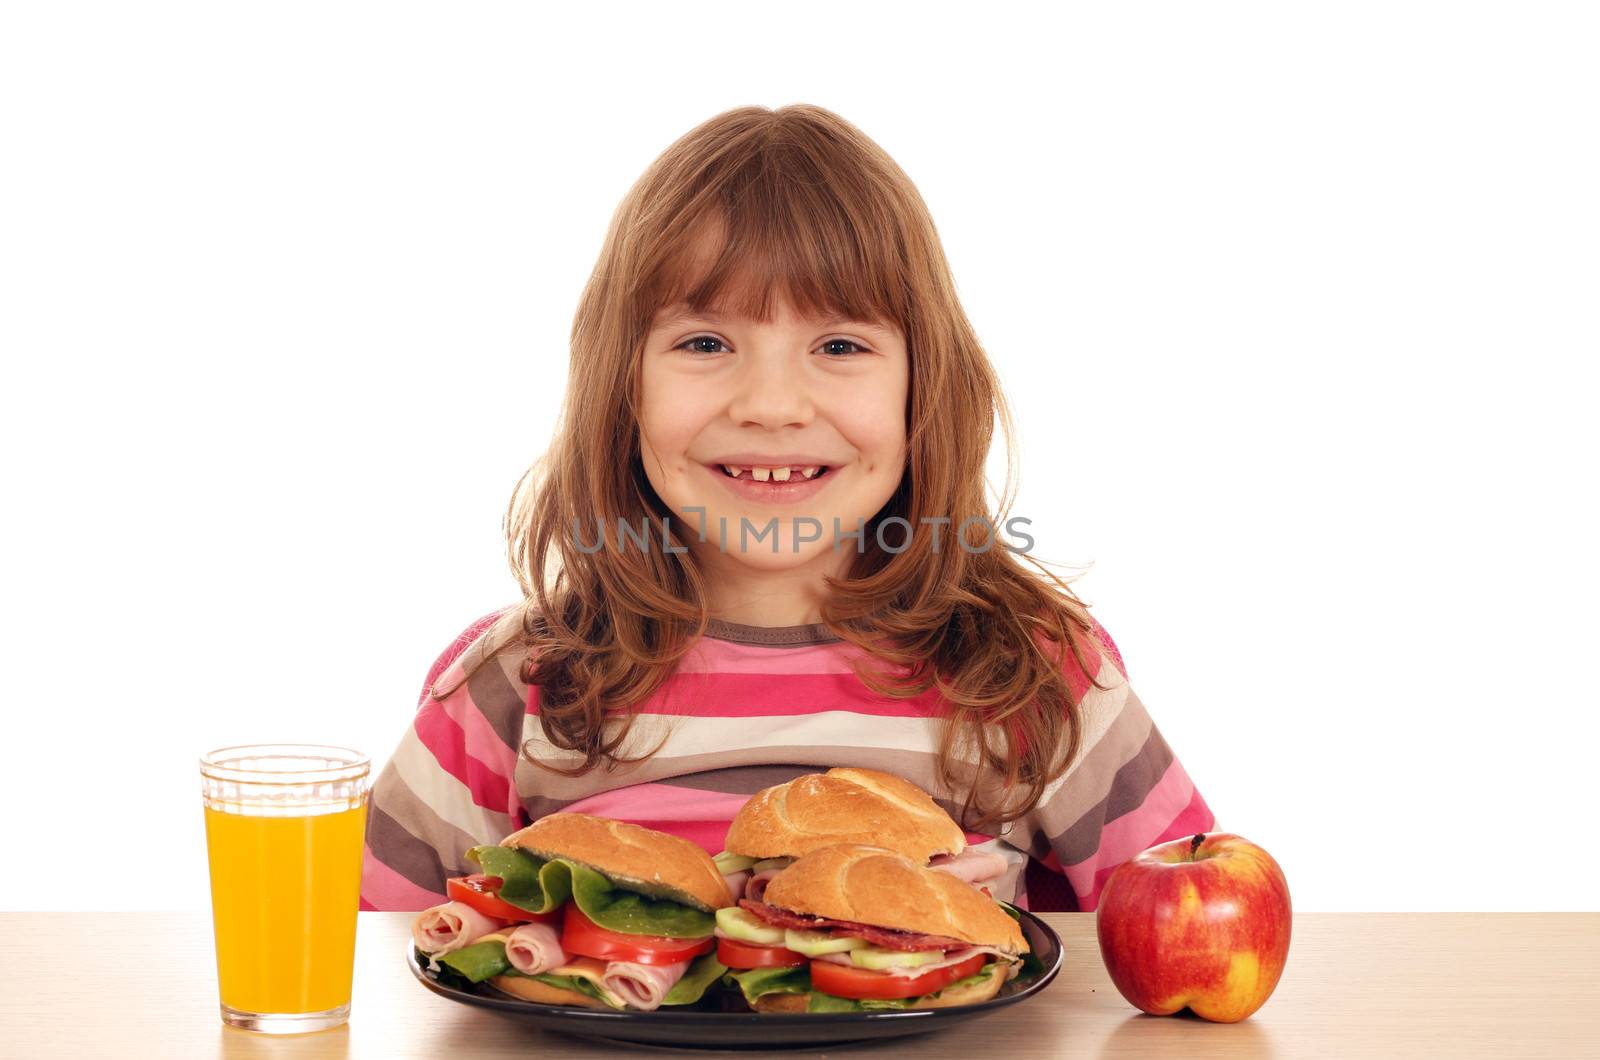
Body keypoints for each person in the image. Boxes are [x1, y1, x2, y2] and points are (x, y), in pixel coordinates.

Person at [360, 104, 1214, 914]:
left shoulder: (1036, 681)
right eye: (704, 343)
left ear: (927, 388)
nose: (772, 404)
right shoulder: (513, 691)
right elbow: (367, 974)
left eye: (840, 345)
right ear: (621, 386)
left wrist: (1007, 913)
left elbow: (1189, 932)